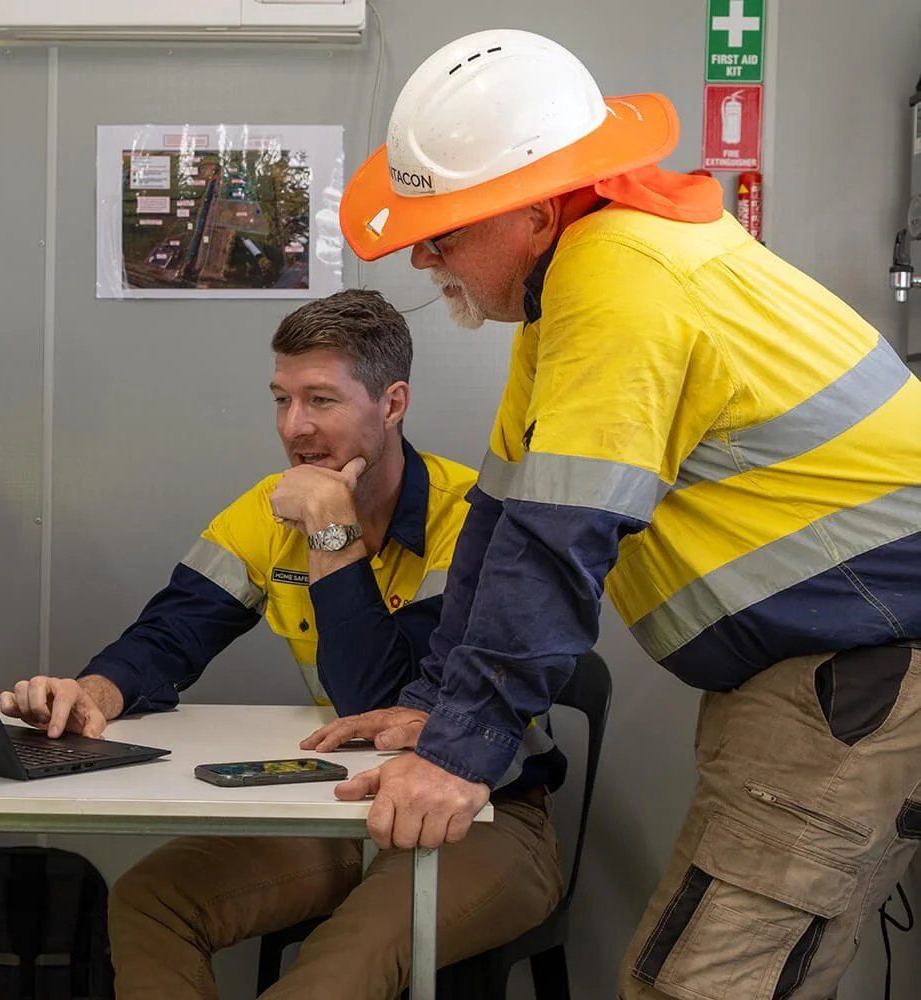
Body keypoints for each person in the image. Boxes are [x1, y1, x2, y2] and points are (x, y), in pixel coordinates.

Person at [319, 27, 921, 999]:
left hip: (864, 668)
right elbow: (504, 527)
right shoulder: (575, 290)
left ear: (541, 208)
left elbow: (557, 549)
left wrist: (460, 757)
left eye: (453, 224)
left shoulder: (620, 284)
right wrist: (436, 707)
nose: (425, 251)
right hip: (826, 669)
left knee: (700, 986)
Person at [0, 289, 565, 999]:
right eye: (281, 400)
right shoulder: (270, 507)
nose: (295, 427)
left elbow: (386, 703)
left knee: (334, 973)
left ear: (392, 404)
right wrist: (92, 693)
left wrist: (332, 532)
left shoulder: (470, 519)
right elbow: (172, 634)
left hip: (479, 815)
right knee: (152, 901)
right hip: (337, 809)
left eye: (321, 400)